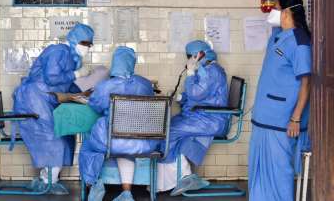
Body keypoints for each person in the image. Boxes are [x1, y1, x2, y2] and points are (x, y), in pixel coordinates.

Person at [12, 23, 94, 195]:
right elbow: (52, 77)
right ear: (74, 40)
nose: (87, 47)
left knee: (64, 134)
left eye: (90, 44)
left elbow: (66, 85)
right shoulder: (59, 51)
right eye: (84, 43)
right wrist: (77, 75)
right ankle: (48, 179)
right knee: (52, 137)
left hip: (46, 99)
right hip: (33, 98)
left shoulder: (72, 58)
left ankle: (47, 177)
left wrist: (82, 95)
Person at [249, 0, 312, 201]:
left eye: (275, 7)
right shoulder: (277, 35)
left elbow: (306, 83)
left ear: (286, 12)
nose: (271, 11)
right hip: (263, 120)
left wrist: (295, 118)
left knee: (279, 175)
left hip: (281, 122)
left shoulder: (300, 42)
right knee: (259, 176)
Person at [79, 46, 160, 201]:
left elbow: (96, 105)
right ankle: (127, 192)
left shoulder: (105, 86)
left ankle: (92, 184)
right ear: (132, 63)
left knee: (89, 146)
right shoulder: (145, 84)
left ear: (115, 63)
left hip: (113, 141)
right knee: (126, 150)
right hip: (142, 142)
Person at [158, 40, 229, 195]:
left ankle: (184, 176)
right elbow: (196, 96)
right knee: (168, 127)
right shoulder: (205, 69)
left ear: (199, 55)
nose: (189, 59)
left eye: (190, 56)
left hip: (211, 120)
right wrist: (178, 97)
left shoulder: (213, 71)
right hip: (201, 117)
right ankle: (179, 176)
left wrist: (190, 74)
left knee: (168, 131)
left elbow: (197, 93)